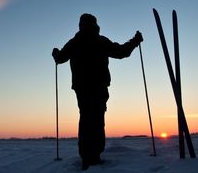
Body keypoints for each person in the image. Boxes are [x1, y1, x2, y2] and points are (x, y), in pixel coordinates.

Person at [52, 13, 143, 170]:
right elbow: (121, 52)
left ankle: (87, 156)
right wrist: (135, 42)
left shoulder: (74, 43)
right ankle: (93, 156)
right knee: (96, 120)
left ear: (80, 25)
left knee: (87, 119)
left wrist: (56, 53)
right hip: (98, 87)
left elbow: (60, 59)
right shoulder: (100, 41)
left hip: (82, 88)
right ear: (94, 25)